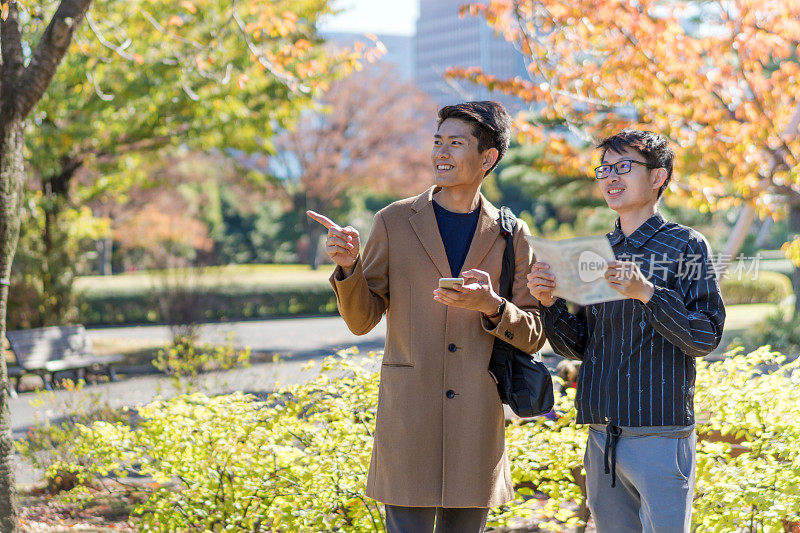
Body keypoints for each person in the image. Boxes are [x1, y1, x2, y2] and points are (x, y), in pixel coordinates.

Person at [307, 101, 546, 533]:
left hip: (477, 418)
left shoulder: (512, 234)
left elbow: (532, 334)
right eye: (438, 141)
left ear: (488, 158)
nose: (442, 152)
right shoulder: (395, 221)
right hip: (409, 413)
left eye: (456, 143)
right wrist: (348, 267)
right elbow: (362, 320)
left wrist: (492, 305)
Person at [527, 129, 726, 533]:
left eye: (624, 167)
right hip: (602, 437)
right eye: (604, 169)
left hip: (661, 435)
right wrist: (550, 307)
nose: (611, 178)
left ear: (658, 177)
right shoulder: (595, 251)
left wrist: (647, 293)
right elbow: (581, 346)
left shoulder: (686, 245)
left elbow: (704, 336)